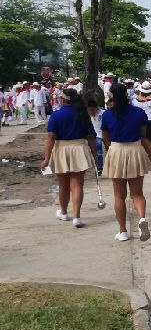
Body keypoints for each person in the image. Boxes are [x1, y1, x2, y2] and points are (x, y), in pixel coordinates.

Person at [101, 83, 151, 241]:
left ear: (111, 96)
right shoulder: (139, 112)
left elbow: (105, 137)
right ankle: (142, 219)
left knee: (119, 196)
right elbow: (143, 134)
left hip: (116, 150)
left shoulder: (107, 114)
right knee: (137, 193)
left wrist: (112, 146)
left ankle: (123, 231)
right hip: (135, 150)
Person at [41, 88, 96, 228]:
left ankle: (64, 212)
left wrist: (46, 158)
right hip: (79, 148)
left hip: (61, 149)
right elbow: (90, 137)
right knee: (77, 185)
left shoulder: (56, 115)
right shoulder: (83, 114)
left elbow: (51, 137)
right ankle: (76, 217)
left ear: (63, 100)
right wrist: (94, 155)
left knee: (63, 185)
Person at [86, 98, 105, 174]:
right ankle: (99, 168)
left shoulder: (103, 113)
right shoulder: (88, 116)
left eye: (92, 110)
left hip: (105, 134)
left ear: (96, 108)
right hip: (96, 136)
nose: (91, 112)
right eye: (89, 110)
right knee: (98, 153)